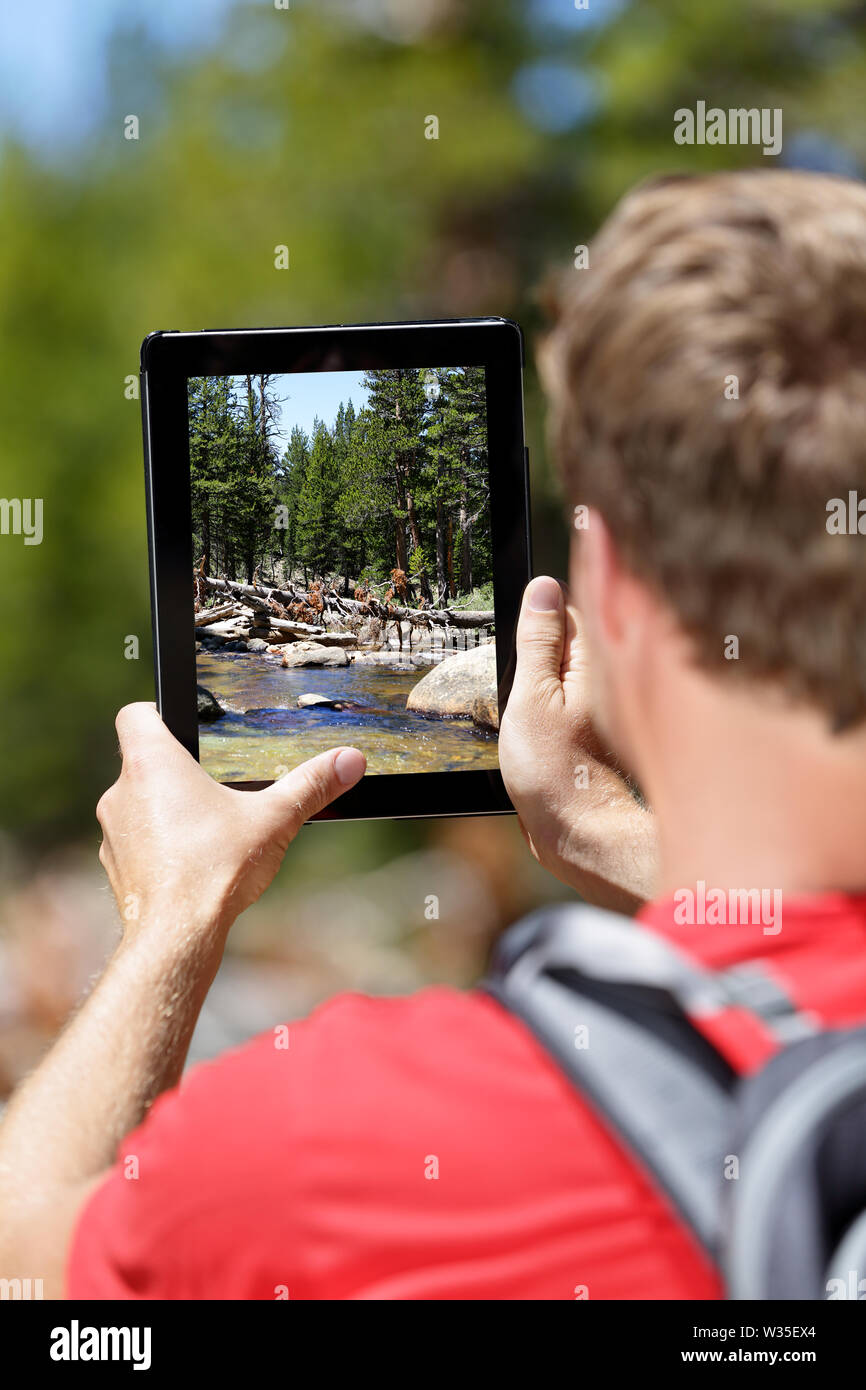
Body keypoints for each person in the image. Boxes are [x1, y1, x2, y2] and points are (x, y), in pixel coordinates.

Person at [4, 168, 866, 1300]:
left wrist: (172, 918)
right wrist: (605, 832)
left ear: (601, 585)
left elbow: (25, 1273)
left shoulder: (346, 1143)